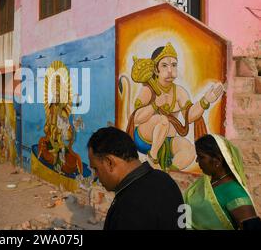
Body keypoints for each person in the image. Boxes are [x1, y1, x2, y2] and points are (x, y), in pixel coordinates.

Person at [119, 43, 225, 171]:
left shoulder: (179, 92)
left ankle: (167, 173)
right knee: (163, 120)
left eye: (173, 65)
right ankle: (152, 158)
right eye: (164, 65)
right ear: (156, 70)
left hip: (166, 142)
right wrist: (154, 105)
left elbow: (189, 117)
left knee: (189, 150)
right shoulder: (148, 90)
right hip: (144, 138)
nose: (170, 70)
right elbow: (136, 118)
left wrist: (206, 100)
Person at [87, 127, 185, 230]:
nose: (95, 176)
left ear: (109, 162)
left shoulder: (129, 206)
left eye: (96, 168)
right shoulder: (164, 180)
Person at [184, 134, 260, 230]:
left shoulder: (233, 191)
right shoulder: (205, 184)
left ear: (217, 160)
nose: (197, 160)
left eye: (201, 157)